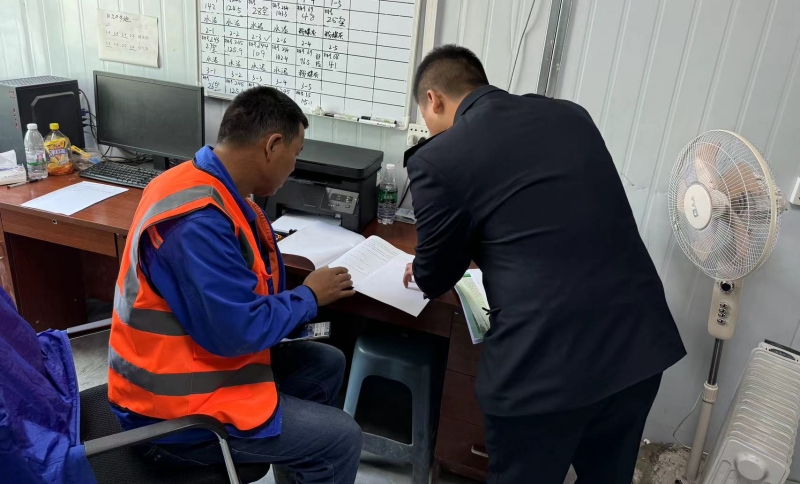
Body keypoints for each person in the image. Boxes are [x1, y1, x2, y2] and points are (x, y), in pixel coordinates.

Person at [402, 45, 686, 483]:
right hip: (637, 346)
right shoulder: (571, 115)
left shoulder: (438, 157)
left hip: (543, 372)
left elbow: (435, 275)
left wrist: (426, 263)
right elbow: (548, 215)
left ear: (433, 99)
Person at [107, 87, 362, 484]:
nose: (294, 167)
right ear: (271, 146)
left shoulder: (205, 184)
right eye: (295, 154)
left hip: (197, 364)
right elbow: (236, 331)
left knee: (326, 363)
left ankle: (297, 464)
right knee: (342, 438)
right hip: (170, 415)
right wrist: (310, 296)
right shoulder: (197, 223)